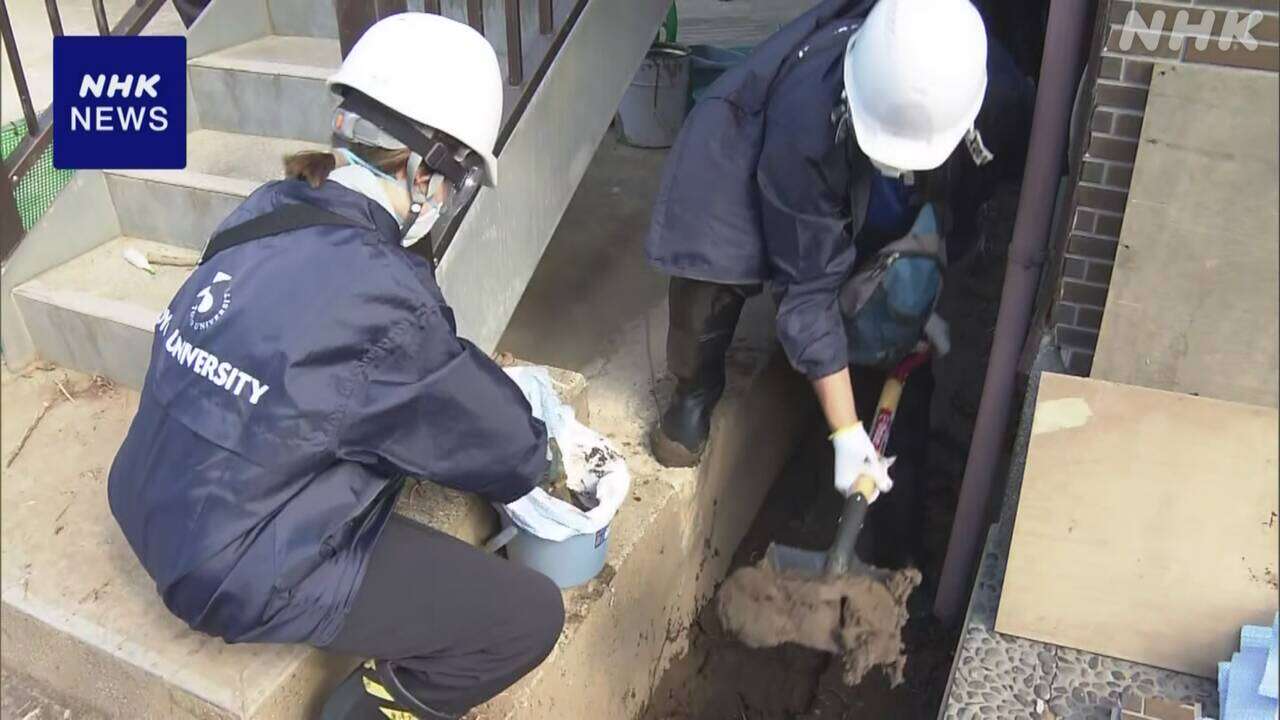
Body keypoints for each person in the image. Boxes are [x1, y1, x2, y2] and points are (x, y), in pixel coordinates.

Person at [106, 14, 564, 720]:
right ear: (424, 169)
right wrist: (550, 452)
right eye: (455, 180)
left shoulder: (266, 211)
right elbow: (500, 445)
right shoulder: (386, 296)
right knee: (528, 616)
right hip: (230, 567)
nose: (444, 201)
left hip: (142, 492)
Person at [645, 0, 1034, 513]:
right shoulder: (805, 118)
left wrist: (942, 293)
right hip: (753, 140)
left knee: (876, 247)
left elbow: (977, 197)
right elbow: (806, 289)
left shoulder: (980, 86)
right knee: (716, 245)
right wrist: (848, 433)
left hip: (873, 161)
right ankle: (694, 390)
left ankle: (839, 356)